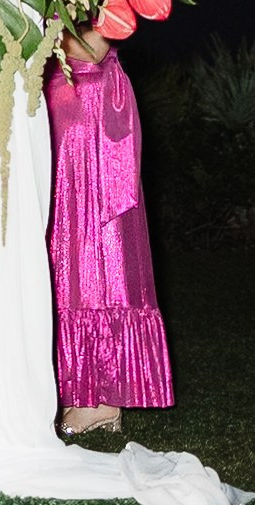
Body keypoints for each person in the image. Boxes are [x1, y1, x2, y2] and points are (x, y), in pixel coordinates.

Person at [48, 23, 174, 435]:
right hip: (59, 103)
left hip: (84, 109)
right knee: (62, 246)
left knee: (91, 248)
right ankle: (72, 387)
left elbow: (93, 46)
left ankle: (98, 395)